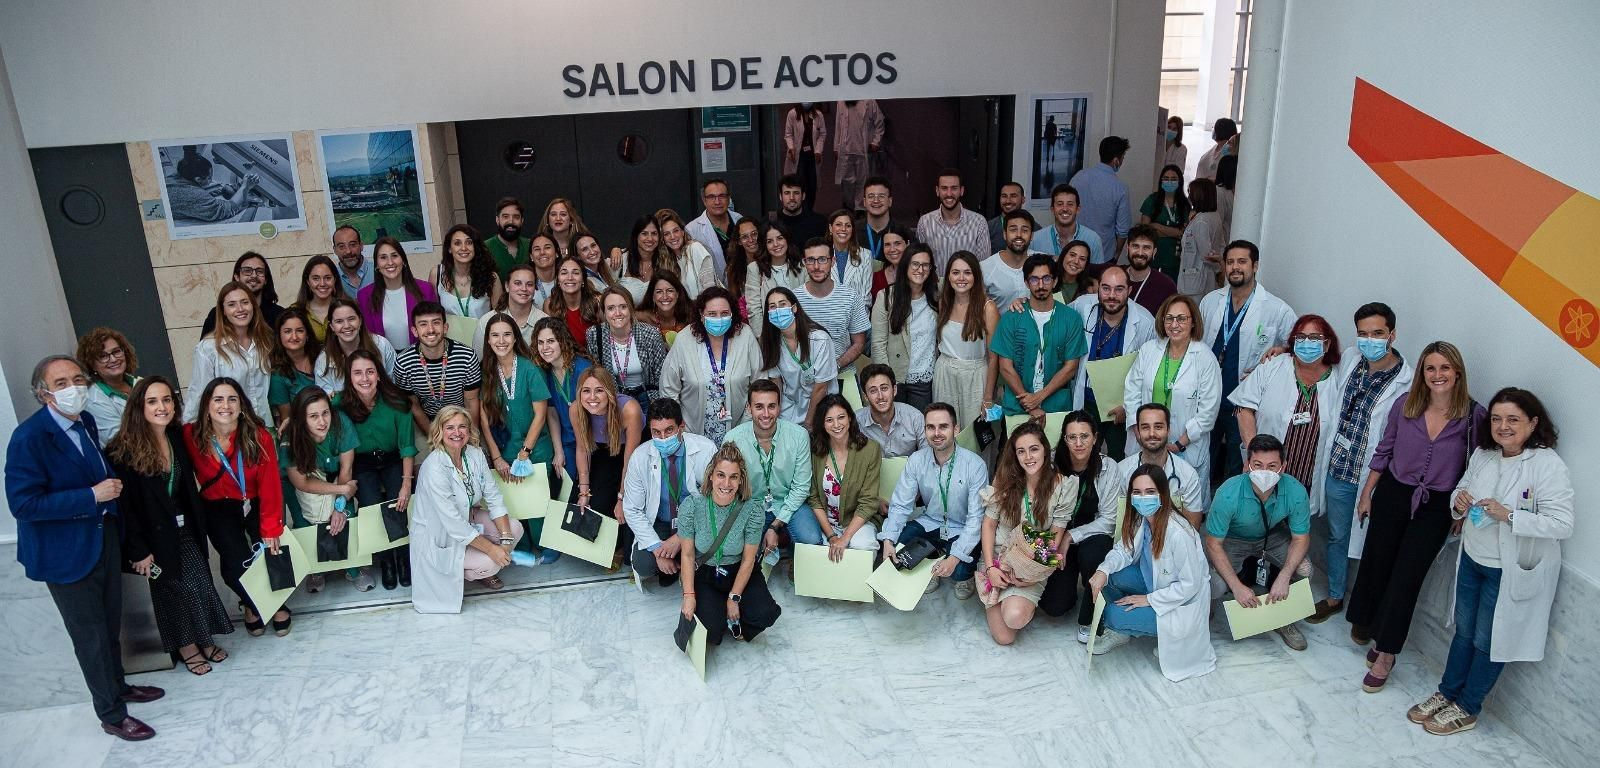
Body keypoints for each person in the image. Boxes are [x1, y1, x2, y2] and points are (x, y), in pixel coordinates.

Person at [6, 355, 164, 741]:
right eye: (61, 383)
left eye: (78, 379)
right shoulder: (29, 438)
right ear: (43, 394)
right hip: (64, 555)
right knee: (89, 636)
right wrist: (89, 496)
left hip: (102, 539)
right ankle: (111, 714)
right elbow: (23, 504)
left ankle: (119, 686)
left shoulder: (86, 422)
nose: (73, 387)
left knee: (109, 624)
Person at [1408, 388, 1572, 736]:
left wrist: (1509, 515)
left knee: (1489, 638)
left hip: (1509, 569)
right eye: (1497, 419)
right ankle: (1447, 693)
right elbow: (1459, 492)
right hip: (1473, 557)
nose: (1503, 426)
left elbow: (1562, 523)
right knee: (1464, 631)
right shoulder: (1484, 454)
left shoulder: (1547, 465)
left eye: (1513, 419)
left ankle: (1468, 707)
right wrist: (1460, 500)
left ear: (1533, 423)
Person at [1343, 341, 1483, 691]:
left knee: (1407, 577)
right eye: (1430, 368)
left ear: (1457, 372)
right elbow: (1384, 450)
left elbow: (1477, 467)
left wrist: (1462, 510)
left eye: (1445, 368)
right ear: (1422, 373)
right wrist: (1367, 493)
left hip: (1436, 505)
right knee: (1378, 562)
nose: (1438, 375)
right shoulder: (1405, 405)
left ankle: (1387, 652)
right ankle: (1369, 622)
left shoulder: (1474, 417)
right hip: (1394, 493)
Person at [107, 376, 233, 675]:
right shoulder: (121, 451)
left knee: (198, 582)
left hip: (185, 527)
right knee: (173, 589)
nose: (161, 407)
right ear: (139, 406)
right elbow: (126, 508)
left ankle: (203, 639)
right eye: (152, 401)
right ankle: (187, 647)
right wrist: (138, 550)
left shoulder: (176, 437)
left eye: (166, 400)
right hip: (151, 539)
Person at [1315, 302, 1414, 626]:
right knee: (1337, 535)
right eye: (1362, 334)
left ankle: (1364, 611)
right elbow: (1316, 367)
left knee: (1375, 545)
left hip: (1375, 475)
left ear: (1392, 335)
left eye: (1377, 333)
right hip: (1339, 468)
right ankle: (1334, 595)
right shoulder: (1352, 359)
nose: (1369, 340)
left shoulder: (1407, 382)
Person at [1086, 464, 1215, 681]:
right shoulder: (1143, 520)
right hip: (1155, 583)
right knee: (1111, 577)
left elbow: (1190, 586)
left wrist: (1149, 599)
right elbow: (1123, 550)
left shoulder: (1178, 533)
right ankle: (1134, 624)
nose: (1143, 498)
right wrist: (1102, 570)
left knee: (1112, 616)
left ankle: (1128, 627)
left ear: (1163, 494)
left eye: (1150, 492)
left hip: (1180, 604)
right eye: (1137, 492)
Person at [182, 377, 290, 637]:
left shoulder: (258, 435)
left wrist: (271, 527)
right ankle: (256, 604)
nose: (225, 405)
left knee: (269, 553)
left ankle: (270, 602)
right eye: (218, 399)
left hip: (254, 501)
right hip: (218, 506)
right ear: (207, 405)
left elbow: (270, 484)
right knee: (235, 564)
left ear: (241, 404)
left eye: (232, 398)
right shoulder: (190, 435)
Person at [1199, 240, 1297, 485]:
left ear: (1255, 266)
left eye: (1242, 262)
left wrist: (1281, 351)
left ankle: (1234, 514)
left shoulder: (1277, 308)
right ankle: (1198, 510)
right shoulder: (1211, 301)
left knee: (1238, 460)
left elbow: (1298, 348)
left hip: (1243, 401)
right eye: (1230, 262)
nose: (1235, 267)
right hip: (1207, 395)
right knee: (1202, 457)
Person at [1203, 434, 1314, 651]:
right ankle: (1203, 612)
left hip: (1272, 535)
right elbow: (1213, 544)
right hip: (1233, 538)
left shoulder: (1295, 490)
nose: (1265, 472)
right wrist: (1236, 587)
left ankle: (1284, 618)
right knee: (1213, 585)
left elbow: (1301, 538)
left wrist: (1284, 575)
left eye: (1272, 466)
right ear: (1247, 465)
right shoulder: (1228, 493)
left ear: (1283, 466)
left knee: (1306, 570)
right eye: (1258, 465)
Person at [409, 406, 525, 610]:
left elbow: (494, 497)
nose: (457, 433)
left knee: (515, 529)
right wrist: (493, 551)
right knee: (490, 562)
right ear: (439, 432)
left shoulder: (475, 454)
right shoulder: (434, 467)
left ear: (469, 430)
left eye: (462, 426)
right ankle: (469, 573)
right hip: (441, 534)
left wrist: (506, 540)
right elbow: (453, 525)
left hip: (469, 520)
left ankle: (480, 563)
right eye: (450, 427)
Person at [1230, 314, 1341, 515]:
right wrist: (1253, 454)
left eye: (1315, 338)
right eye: (1301, 337)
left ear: (1326, 345)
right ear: (1293, 342)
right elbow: (1243, 408)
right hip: (1266, 468)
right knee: (1257, 520)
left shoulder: (1339, 378)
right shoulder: (1274, 365)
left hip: (1307, 474)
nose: (1307, 343)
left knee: (1296, 528)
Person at [676, 444, 783, 645]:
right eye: (721, 475)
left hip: (738, 570)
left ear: (740, 479)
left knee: (766, 613)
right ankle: (717, 610)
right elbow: (688, 555)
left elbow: (748, 559)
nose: (726, 483)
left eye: (733, 477)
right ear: (711, 476)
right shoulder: (692, 506)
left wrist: (734, 597)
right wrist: (689, 596)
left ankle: (732, 607)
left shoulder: (752, 509)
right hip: (706, 572)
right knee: (711, 633)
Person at [978, 422, 1075, 644]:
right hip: (998, 557)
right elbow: (989, 525)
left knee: (1014, 617)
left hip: (1031, 561)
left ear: (1045, 449)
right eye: (1021, 451)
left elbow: (1054, 537)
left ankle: (1017, 600)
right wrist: (991, 567)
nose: (1028, 457)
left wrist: (1029, 574)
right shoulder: (1004, 481)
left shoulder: (1063, 486)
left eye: (1034, 449)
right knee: (1004, 638)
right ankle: (994, 588)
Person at [877, 402, 986, 598]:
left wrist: (954, 558)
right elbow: (901, 504)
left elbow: (976, 520)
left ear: (956, 429)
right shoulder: (917, 460)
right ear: (925, 430)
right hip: (931, 521)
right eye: (930, 427)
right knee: (896, 546)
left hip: (962, 527)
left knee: (959, 571)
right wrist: (888, 539)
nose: (937, 433)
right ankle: (932, 565)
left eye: (943, 427)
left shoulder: (975, 465)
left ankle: (954, 567)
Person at [1123, 294, 1222, 508]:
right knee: (1142, 501)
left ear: (1193, 321)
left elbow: (1209, 410)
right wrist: (1138, 431)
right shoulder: (1150, 350)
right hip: (1145, 439)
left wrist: (1179, 443)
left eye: (1181, 319)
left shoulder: (1205, 357)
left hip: (1184, 446)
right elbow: (1132, 390)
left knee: (1182, 507)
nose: (1174, 325)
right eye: (1169, 318)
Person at [1035, 413, 1123, 631]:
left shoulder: (1109, 467)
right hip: (1053, 535)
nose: (1078, 443)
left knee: (1095, 552)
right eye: (1071, 437)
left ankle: (1091, 617)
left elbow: (1110, 520)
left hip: (1090, 536)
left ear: (1095, 438)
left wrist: (1071, 536)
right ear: (1064, 439)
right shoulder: (1050, 463)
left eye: (1084, 436)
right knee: (1054, 607)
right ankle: (1068, 586)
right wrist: (1056, 540)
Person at [337, 350, 416, 590]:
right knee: (371, 507)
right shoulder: (339, 404)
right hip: (361, 463)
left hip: (393, 459)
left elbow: (407, 446)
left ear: (379, 375)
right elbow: (310, 409)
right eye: (358, 373)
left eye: (370, 372)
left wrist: (406, 484)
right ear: (349, 377)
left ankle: (403, 559)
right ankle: (386, 562)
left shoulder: (397, 401)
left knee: (398, 504)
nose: (365, 378)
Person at [280, 387, 368, 592]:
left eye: (325, 413)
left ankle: (353, 569)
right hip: (300, 483)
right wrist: (342, 489)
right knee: (304, 523)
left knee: (347, 515)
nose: (322, 421)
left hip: (335, 476)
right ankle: (316, 570)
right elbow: (301, 482)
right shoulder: (291, 436)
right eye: (313, 416)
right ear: (302, 418)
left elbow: (346, 467)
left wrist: (339, 506)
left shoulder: (341, 423)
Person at [623, 398, 718, 586]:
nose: (663, 438)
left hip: (697, 523)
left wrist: (681, 536)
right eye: (656, 432)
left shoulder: (706, 450)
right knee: (643, 564)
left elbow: (714, 501)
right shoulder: (640, 457)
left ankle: (687, 565)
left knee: (709, 553)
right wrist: (658, 549)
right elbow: (632, 509)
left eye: (669, 430)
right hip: (661, 522)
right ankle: (672, 565)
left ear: (681, 426)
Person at [1069, 265, 1156, 460]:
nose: (1111, 295)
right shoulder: (1083, 306)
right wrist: (1024, 301)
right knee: (1082, 459)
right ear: (1098, 288)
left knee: (1120, 460)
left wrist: (1129, 406)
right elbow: (1055, 314)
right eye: (1106, 288)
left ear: (1129, 290)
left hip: (1121, 408)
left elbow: (1150, 371)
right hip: (1087, 401)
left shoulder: (1144, 321)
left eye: (1119, 289)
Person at [659, 286, 760, 445]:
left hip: (740, 432)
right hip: (693, 435)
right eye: (712, 314)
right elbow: (668, 389)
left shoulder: (745, 335)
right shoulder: (684, 339)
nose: (719, 319)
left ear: (732, 314)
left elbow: (758, 383)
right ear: (701, 315)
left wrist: (746, 424)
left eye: (724, 314)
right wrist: (682, 428)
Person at [991, 255, 1088, 419]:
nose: (1041, 285)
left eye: (1046, 278)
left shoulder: (1071, 318)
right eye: (1034, 279)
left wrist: (1039, 397)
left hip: (1056, 407)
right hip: (1017, 407)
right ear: (1027, 283)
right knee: (1014, 446)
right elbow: (1005, 367)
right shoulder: (1012, 317)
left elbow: (1071, 367)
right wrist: (1030, 404)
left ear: (1055, 281)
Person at [724, 380, 812, 559]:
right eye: (759, 407)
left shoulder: (798, 436)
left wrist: (775, 525)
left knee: (811, 539)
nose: (766, 414)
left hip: (789, 502)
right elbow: (729, 487)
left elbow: (801, 487)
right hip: (750, 504)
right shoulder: (733, 439)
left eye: (771, 406)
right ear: (749, 408)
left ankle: (796, 563)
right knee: (738, 550)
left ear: (779, 407)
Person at [571, 368, 644, 550]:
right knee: (588, 501)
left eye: (599, 390)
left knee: (616, 505)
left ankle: (618, 548)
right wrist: (584, 492)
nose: (592, 397)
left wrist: (621, 498)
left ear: (610, 392)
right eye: (586, 391)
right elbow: (582, 449)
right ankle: (595, 549)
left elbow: (630, 461)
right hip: (602, 449)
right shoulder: (576, 409)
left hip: (631, 451)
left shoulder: (629, 410)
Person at [802, 395, 884, 556]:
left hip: (858, 522)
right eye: (829, 420)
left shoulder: (869, 449)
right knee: (819, 552)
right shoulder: (815, 452)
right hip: (826, 523)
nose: (837, 425)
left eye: (841, 417)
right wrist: (832, 536)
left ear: (850, 418)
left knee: (862, 546)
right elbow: (813, 499)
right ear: (822, 424)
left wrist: (845, 538)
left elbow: (868, 502)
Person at [187, 282, 276, 427]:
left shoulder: (264, 341)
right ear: (223, 311)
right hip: (230, 431)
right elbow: (198, 395)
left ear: (253, 305)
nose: (240, 309)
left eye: (245, 302)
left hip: (264, 426)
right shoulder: (208, 348)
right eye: (232, 304)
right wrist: (192, 432)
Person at [391, 301, 482, 432]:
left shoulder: (467, 356)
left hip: (461, 420)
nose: (431, 329)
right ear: (415, 331)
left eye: (436, 322)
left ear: (445, 327)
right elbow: (414, 406)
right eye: (423, 324)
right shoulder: (403, 362)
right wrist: (434, 438)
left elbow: (471, 400)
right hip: (427, 422)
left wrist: (471, 436)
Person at [933, 251, 1000, 429]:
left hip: (976, 376)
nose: (961, 278)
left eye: (967, 272)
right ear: (948, 276)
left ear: (976, 276)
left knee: (975, 435)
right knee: (945, 430)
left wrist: (988, 397)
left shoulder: (988, 308)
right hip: (945, 374)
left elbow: (994, 358)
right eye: (955, 272)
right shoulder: (943, 303)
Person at [871, 244, 938, 409]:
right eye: (915, 264)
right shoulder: (886, 297)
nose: (920, 270)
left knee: (920, 429)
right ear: (905, 265)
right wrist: (886, 381)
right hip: (896, 378)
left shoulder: (937, 296)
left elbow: (962, 285)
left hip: (925, 380)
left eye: (925, 265)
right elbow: (878, 343)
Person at [1119, 403, 1207, 528]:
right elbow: (1115, 520)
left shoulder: (1188, 475)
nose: (1152, 434)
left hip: (1175, 544)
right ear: (1138, 431)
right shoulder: (1121, 471)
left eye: (1158, 427)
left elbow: (1192, 528)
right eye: (1145, 427)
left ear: (1168, 430)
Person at [758, 287, 837, 424]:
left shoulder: (819, 339)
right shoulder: (771, 343)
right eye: (772, 307)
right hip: (790, 408)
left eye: (782, 304)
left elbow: (821, 387)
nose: (778, 310)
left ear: (794, 308)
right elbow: (776, 382)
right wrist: (775, 413)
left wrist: (809, 422)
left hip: (821, 407)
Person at [796, 237, 870, 375]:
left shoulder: (851, 297)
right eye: (811, 260)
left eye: (823, 259)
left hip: (843, 374)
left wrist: (835, 366)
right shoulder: (794, 299)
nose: (816, 266)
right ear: (804, 263)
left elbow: (859, 343)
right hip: (804, 378)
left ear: (833, 261)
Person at [586, 287, 668, 411]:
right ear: (604, 312)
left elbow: (662, 375)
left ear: (631, 309)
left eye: (623, 307)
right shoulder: (594, 334)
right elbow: (596, 374)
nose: (617, 313)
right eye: (611, 308)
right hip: (614, 398)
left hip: (647, 396)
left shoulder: (650, 334)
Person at [531, 318, 592, 480]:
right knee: (567, 488)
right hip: (566, 443)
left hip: (590, 442)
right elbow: (551, 413)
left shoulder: (583, 369)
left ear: (562, 341)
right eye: (541, 342)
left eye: (551, 341)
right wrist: (559, 451)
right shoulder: (546, 373)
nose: (545, 348)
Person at [357, 236, 439, 351]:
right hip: (383, 362)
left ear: (403, 260)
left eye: (394, 256)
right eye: (383, 257)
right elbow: (366, 337)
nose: (390, 262)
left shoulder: (425, 290)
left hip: (420, 359)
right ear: (376, 265)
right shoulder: (365, 296)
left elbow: (436, 328)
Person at [313, 298, 397, 395]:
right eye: (339, 321)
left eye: (351, 319)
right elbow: (327, 401)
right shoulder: (324, 361)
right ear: (331, 326)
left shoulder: (381, 345)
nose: (347, 325)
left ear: (360, 320)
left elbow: (395, 384)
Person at [912, 168, 989, 274]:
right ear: (937, 191)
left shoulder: (979, 222)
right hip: (934, 289)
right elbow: (919, 261)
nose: (949, 193)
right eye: (944, 188)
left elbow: (984, 266)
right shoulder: (925, 222)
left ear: (961, 191)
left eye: (954, 188)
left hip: (966, 288)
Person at [1069, 136, 1133, 258]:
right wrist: (1116, 254)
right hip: (1104, 253)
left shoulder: (1078, 177)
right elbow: (1123, 230)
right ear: (1116, 161)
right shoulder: (1120, 188)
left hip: (1075, 251)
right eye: (1123, 157)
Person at [78, 327, 141, 447]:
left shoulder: (137, 383)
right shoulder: (94, 399)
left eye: (116, 351)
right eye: (102, 356)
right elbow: (120, 442)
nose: (113, 359)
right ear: (92, 364)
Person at [198, 252, 284, 339]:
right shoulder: (218, 314)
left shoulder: (279, 315)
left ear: (266, 279)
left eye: (260, 271)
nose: (254, 275)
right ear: (237, 277)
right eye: (247, 271)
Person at [429, 224, 503, 320]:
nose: (464, 248)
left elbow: (500, 316)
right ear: (449, 249)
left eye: (469, 243)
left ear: (475, 247)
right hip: (449, 334)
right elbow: (431, 313)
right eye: (457, 243)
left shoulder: (491, 277)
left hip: (482, 334)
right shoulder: (437, 274)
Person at [854, 364, 926, 458]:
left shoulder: (914, 417)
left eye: (884, 388)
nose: (880, 396)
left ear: (894, 390)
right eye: (873, 391)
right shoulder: (855, 422)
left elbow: (927, 456)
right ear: (865, 396)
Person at [983, 209, 1049, 309]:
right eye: (1013, 230)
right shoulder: (985, 268)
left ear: (1031, 236)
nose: (1019, 235)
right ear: (1004, 234)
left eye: (1025, 230)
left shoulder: (1045, 263)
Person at [744, 220, 804, 331]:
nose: (776, 244)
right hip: (770, 332)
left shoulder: (802, 266)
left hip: (800, 329)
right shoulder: (755, 269)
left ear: (787, 239)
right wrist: (762, 337)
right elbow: (754, 308)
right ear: (764, 245)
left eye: (780, 238)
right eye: (770, 241)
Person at [478, 263, 550, 349]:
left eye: (529, 284)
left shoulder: (546, 323)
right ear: (507, 286)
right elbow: (479, 360)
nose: (524, 289)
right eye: (518, 283)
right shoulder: (486, 321)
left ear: (535, 288)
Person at [267, 308, 320, 424]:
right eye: (287, 331)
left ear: (307, 334)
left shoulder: (323, 358)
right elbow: (287, 419)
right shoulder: (278, 375)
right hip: (303, 428)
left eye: (300, 331)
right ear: (279, 336)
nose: (294, 337)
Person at [1031, 184, 1106, 266]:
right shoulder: (1036, 239)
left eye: (1070, 204)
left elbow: (1097, 275)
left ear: (1078, 209)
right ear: (1052, 209)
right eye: (1060, 204)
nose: (1065, 209)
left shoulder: (1093, 239)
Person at [686, 178, 744, 281]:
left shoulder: (739, 219)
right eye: (712, 197)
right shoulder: (692, 230)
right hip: (714, 290)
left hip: (742, 283)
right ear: (704, 200)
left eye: (722, 196)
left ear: (729, 198)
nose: (717, 202)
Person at [1140, 165, 1190, 280]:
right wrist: (1173, 232)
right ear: (1161, 180)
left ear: (1180, 181)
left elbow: (1183, 233)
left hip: (1175, 260)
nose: (1169, 182)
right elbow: (1144, 231)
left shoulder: (1184, 204)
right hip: (1155, 258)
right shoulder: (1152, 200)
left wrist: (1156, 226)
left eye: (1173, 179)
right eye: (1166, 178)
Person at [833, 99, 884, 210]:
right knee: (846, 182)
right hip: (845, 150)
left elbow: (880, 123)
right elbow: (838, 125)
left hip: (862, 150)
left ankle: (860, 209)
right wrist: (836, 147)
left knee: (863, 181)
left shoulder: (869, 101)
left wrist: (876, 142)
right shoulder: (841, 102)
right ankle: (848, 207)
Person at [1178, 179, 1225, 297]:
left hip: (1197, 278)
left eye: (1191, 193)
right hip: (1205, 276)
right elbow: (1221, 245)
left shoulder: (1201, 221)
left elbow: (1206, 254)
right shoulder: (1213, 216)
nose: (1189, 196)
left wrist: (1218, 268)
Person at [657, 209, 718, 298]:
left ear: (682, 231)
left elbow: (710, 289)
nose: (673, 237)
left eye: (676, 231)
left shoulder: (695, 248)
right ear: (662, 239)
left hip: (707, 308)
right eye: (666, 234)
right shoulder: (669, 261)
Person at [545, 255, 603, 346]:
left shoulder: (597, 301)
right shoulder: (550, 304)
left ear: (583, 279)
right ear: (558, 280)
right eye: (564, 273)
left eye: (575, 273)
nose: (570, 277)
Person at [824, 208, 876, 309]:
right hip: (827, 316)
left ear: (852, 230)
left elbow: (866, 298)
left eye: (848, 225)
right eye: (838, 224)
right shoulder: (821, 255)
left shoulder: (865, 255)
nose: (843, 229)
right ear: (831, 228)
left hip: (857, 319)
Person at [1125, 224, 1180, 316]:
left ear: (1154, 252)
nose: (1140, 253)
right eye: (1135, 246)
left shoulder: (1166, 285)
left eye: (1146, 248)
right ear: (1127, 249)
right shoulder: (1112, 276)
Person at [783, 104, 828, 212]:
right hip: (799, 157)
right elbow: (788, 134)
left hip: (812, 156)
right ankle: (800, 210)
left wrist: (818, 150)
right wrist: (791, 147)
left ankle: (809, 210)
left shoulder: (818, 115)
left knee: (812, 185)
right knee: (800, 184)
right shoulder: (792, 113)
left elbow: (822, 134)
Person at [291, 255, 343, 343]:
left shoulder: (346, 307)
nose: (322, 283)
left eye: (328, 278)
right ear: (308, 281)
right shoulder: (296, 310)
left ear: (335, 279)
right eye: (316, 278)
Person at [615, 215, 664, 305]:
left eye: (654, 233)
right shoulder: (620, 260)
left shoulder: (664, 261)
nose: (650, 238)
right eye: (644, 233)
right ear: (636, 236)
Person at [770, 174, 826, 249]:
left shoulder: (819, 222)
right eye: (787, 193)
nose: (792, 198)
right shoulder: (770, 221)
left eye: (796, 193)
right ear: (780, 196)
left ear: (803, 196)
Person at [858, 176, 906, 263]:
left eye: (881, 196)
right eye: (871, 196)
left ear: (890, 201)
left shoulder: (904, 233)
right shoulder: (853, 232)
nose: (876, 201)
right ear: (864, 202)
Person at [639, 273, 694, 345]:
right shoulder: (642, 318)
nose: (665, 297)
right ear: (653, 296)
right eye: (659, 292)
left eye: (670, 291)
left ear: (677, 294)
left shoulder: (691, 313)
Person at [485, 197, 531, 282]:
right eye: (505, 217)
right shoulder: (485, 248)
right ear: (497, 220)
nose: (511, 221)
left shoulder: (530, 245)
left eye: (516, 217)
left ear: (522, 221)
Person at [721, 218, 761, 312]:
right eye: (745, 237)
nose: (751, 240)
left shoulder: (771, 260)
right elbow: (735, 301)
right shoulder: (734, 269)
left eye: (754, 234)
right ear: (739, 242)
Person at [988, 181, 1034, 254]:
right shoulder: (988, 228)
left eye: (1013, 196)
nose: (1008, 201)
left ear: (1023, 199)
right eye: (1004, 196)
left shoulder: (1035, 228)